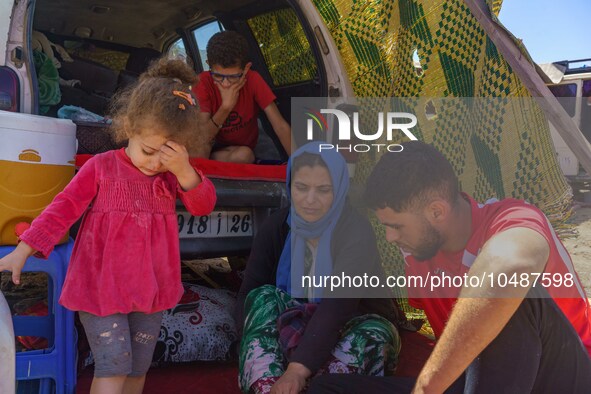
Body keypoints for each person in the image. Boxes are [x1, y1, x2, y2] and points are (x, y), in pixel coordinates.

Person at [0, 59, 217, 394]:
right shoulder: (101, 168)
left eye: (167, 155)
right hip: (101, 288)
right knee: (114, 364)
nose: (155, 162)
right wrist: (24, 249)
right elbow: (62, 209)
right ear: (129, 127)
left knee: (137, 368)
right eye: (148, 151)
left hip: (151, 291)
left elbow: (203, 205)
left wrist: (184, 170)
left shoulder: (170, 177)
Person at [308, 140, 591, 393]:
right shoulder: (419, 258)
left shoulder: (512, 218)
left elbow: (510, 269)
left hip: (564, 379)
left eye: (396, 226)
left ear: (437, 211)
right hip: (482, 381)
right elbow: (432, 344)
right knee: (328, 388)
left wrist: (426, 387)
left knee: (504, 298)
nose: (390, 237)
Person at [235, 141, 404, 394]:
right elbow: (248, 295)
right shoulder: (276, 226)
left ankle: (316, 386)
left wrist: (296, 370)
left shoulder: (356, 231)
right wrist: (252, 339)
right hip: (290, 324)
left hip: (348, 324)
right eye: (301, 188)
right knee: (261, 298)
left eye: (323, 190)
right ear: (290, 185)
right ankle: (268, 389)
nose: (310, 200)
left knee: (374, 334)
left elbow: (338, 305)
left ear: (339, 190)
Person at [193, 30, 292, 163]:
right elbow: (201, 138)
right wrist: (226, 107)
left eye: (233, 77)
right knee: (197, 151)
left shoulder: (253, 79)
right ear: (209, 66)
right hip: (211, 145)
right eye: (218, 76)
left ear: (246, 69)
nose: (226, 84)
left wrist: (301, 165)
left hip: (241, 150)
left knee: (244, 155)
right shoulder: (203, 82)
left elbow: (280, 125)